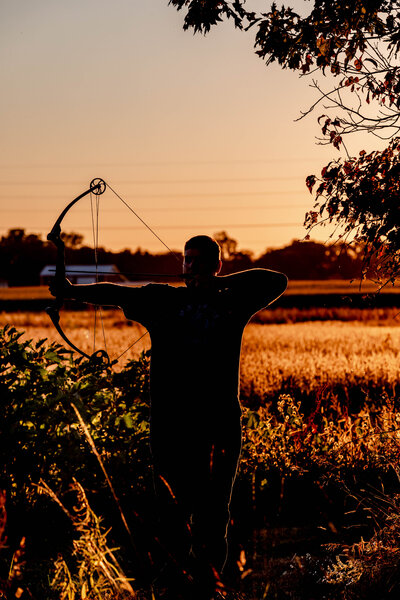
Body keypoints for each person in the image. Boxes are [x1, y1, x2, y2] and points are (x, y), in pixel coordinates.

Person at [50, 235, 287, 598]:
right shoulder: (163, 299)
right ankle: (173, 589)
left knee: (214, 516)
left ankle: (209, 588)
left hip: (220, 424)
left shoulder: (231, 302)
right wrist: (68, 290)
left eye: (198, 262)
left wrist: (216, 282)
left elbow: (276, 280)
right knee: (172, 515)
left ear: (216, 266)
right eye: (187, 261)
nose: (189, 267)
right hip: (170, 425)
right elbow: (116, 292)